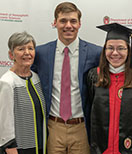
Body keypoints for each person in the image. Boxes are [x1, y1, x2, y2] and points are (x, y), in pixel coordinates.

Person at [31, 2, 102, 154]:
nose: (68, 25)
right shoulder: (40, 53)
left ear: (80, 24)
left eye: (73, 21)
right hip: (53, 126)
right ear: (55, 23)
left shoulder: (96, 53)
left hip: (82, 128)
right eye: (63, 21)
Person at [87, 23, 132, 154]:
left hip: (129, 148)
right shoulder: (95, 76)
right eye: (110, 48)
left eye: (121, 48)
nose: (115, 53)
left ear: (128, 50)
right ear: (104, 50)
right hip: (101, 149)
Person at [0, 31, 47, 154]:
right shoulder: (7, 82)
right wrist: (9, 147)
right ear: (11, 55)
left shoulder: (36, 78)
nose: (27, 53)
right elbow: (5, 121)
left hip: (41, 145)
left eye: (30, 48)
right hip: (19, 148)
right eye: (21, 49)